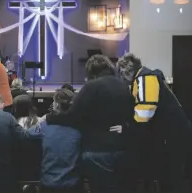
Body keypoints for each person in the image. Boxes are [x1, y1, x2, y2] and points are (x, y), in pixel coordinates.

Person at [44, 55, 135, 193]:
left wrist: (50, 118)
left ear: (91, 71)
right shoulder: (123, 86)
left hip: (98, 151)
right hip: (123, 149)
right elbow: (132, 115)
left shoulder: (92, 87)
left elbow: (73, 116)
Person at [116, 53, 192, 193]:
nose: (121, 77)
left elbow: (145, 112)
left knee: (171, 178)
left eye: (121, 73)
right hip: (173, 133)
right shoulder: (143, 77)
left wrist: (127, 128)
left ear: (126, 70)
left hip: (173, 135)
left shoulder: (144, 78)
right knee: (169, 175)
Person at [29, 89, 82, 193]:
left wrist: (42, 120)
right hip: (74, 184)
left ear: (56, 105)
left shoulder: (45, 125)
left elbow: (28, 133)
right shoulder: (80, 127)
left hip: (49, 184)